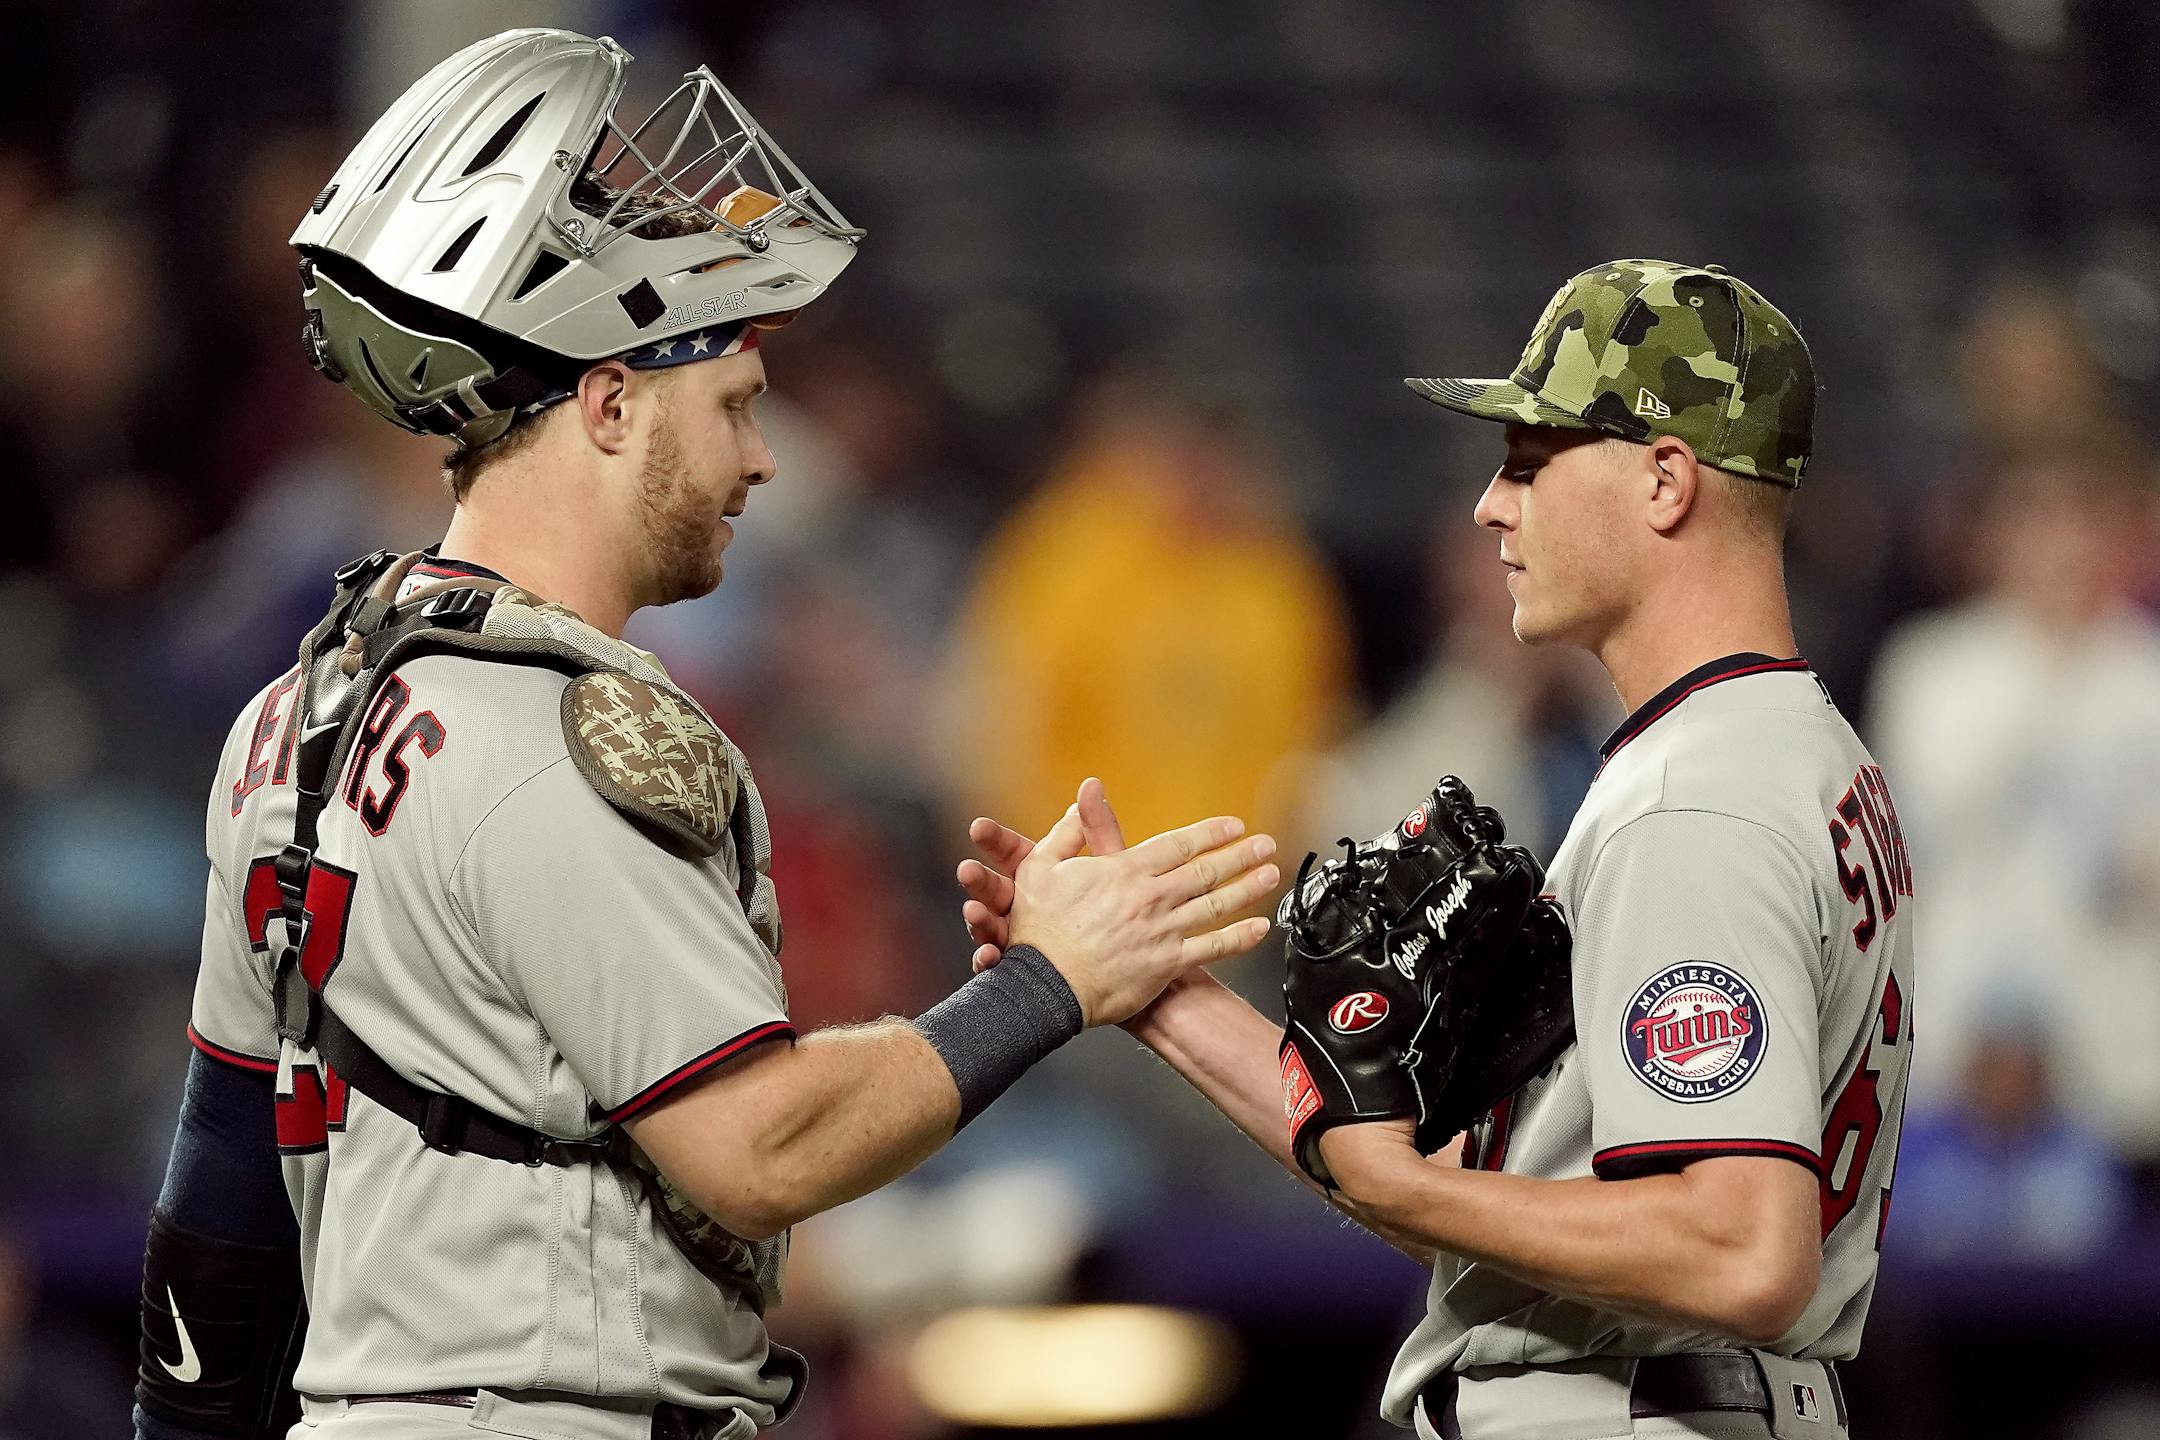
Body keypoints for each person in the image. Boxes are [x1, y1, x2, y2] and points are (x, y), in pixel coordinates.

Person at [133, 29, 1278, 1440]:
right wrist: (1051, 979)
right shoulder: (561, 725)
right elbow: (758, 1147)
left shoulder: (294, 715)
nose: (760, 456)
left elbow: (219, 1199)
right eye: (732, 403)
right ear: (608, 403)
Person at [961, 260, 1916, 1439]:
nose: (1490, 506)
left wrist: (1398, 1182)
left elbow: (1740, 1247)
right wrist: (1150, 986)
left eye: (1530, 463)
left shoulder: (1693, 804)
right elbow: (1514, 1188)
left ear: (1667, 481)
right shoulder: (1794, 752)